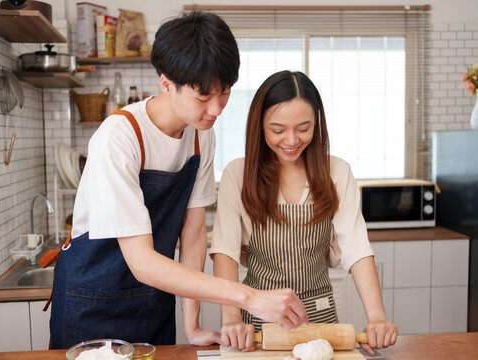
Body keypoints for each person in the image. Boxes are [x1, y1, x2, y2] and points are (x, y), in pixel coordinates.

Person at [49, 13, 308, 350]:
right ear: (167, 83)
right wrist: (249, 297)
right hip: (91, 302)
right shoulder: (119, 138)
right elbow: (142, 261)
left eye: (225, 92)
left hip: (153, 301)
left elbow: (194, 232)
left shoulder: (202, 136)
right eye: (203, 97)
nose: (215, 109)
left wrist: (193, 324)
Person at [210, 70, 398, 354]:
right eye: (278, 129)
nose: (291, 140)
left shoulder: (336, 171)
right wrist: (232, 319)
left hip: (321, 323)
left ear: (317, 124)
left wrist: (377, 318)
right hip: (259, 327)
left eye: (303, 128)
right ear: (259, 125)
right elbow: (225, 252)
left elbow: (357, 249)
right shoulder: (238, 174)